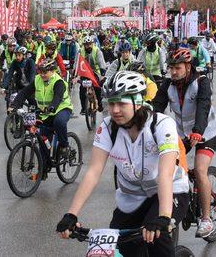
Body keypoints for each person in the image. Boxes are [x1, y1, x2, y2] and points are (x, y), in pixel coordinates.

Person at [57, 71, 189, 256]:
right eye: (111, 103)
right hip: (132, 197)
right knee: (119, 246)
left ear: (138, 102)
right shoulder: (108, 127)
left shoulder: (161, 124)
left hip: (169, 191)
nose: (115, 110)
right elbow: (93, 172)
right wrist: (71, 214)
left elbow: (165, 174)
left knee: (157, 238)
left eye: (121, 103)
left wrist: (163, 217)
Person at [152, 48, 216, 238]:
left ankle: (206, 219)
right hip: (182, 134)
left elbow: (203, 107)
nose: (173, 72)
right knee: (168, 167)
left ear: (188, 67)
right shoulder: (168, 85)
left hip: (206, 131)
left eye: (177, 68)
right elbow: (158, 106)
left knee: (199, 170)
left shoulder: (201, 82)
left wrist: (198, 131)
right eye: (171, 68)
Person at [9, 59, 73, 177]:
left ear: (53, 71)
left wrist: (52, 107)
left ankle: (64, 145)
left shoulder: (58, 82)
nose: (42, 74)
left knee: (59, 122)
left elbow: (58, 97)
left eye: (46, 72)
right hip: (45, 112)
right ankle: (44, 169)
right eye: (41, 71)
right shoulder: (37, 80)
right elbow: (24, 93)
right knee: (41, 137)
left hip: (61, 108)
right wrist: (14, 106)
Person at [79, 36, 106, 115]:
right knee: (82, 89)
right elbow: (77, 62)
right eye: (86, 45)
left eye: (90, 44)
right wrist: (74, 72)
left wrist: (102, 74)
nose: (88, 46)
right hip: (85, 73)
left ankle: (100, 104)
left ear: (92, 44)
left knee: (97, 87)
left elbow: (101, 63)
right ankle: (83, 108)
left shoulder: (97, 51)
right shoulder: (81, 51)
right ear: (84, 45)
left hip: (95, 72)